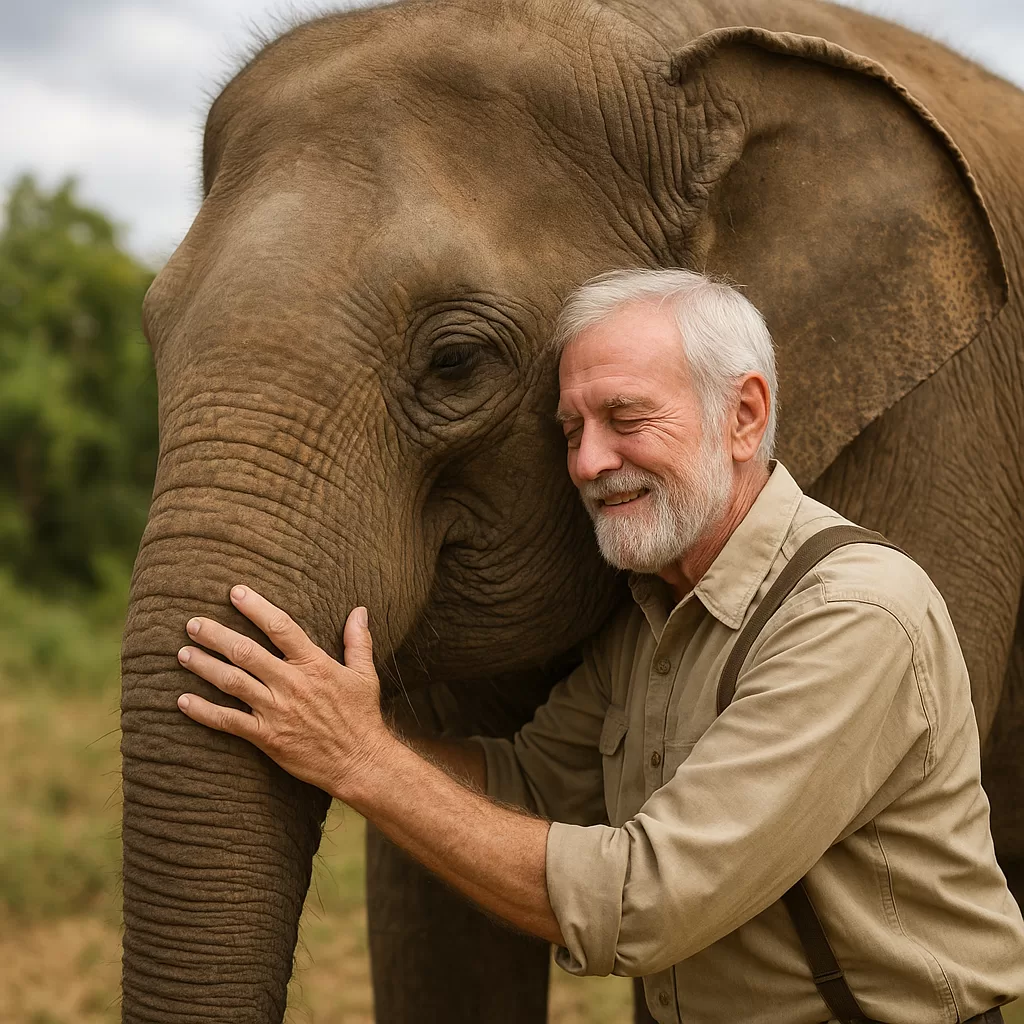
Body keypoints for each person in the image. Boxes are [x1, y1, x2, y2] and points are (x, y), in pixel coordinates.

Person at [175, 268, 1024, 1023]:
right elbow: (529, 784)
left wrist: (361, 760)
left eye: (625, 418)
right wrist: (325, 732)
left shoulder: (852, 616)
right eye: (572, 428)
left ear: (744, 415)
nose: (587, 461)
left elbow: (646, 902)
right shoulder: (654, 611)